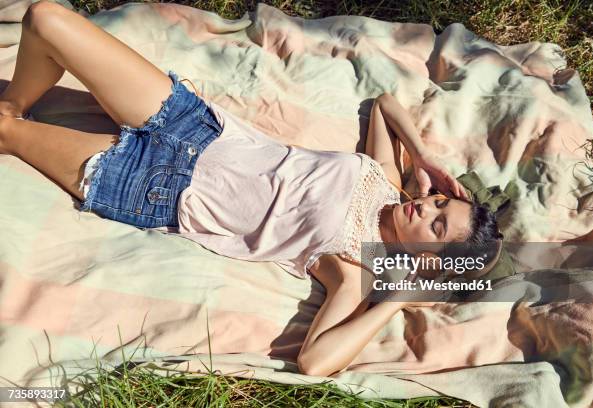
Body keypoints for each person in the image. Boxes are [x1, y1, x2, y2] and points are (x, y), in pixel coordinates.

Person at [0, 1, 503, 377]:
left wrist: (398, 299)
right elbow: (385, 103)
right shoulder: (384, 179)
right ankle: (14, 106)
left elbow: (315, 363)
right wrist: (422, 157)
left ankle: (11, 122)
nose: (425, 207)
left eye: (437, 224)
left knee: (8, 135)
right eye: (439, 202)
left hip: (153, 186)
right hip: (195, 125)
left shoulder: (355, 270)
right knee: (45, 17)